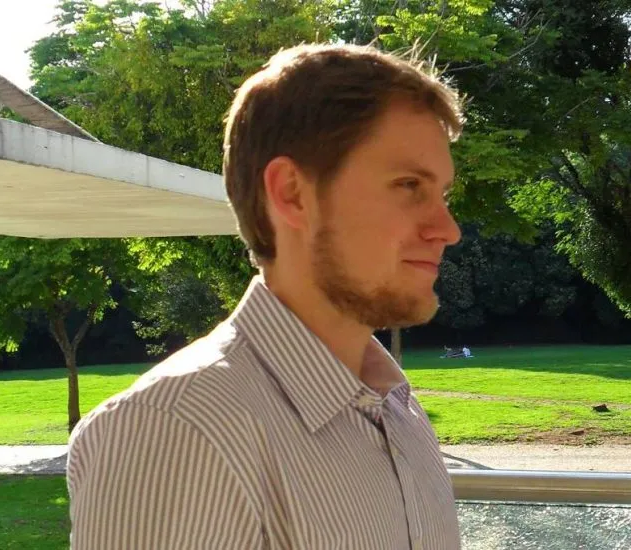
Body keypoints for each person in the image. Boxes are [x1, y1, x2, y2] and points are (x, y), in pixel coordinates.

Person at [66, 43, 465, 550]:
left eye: (442, 194)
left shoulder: (397, 412)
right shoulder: (176, 429)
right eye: (409, 185)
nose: (447, 229)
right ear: (292, 194)